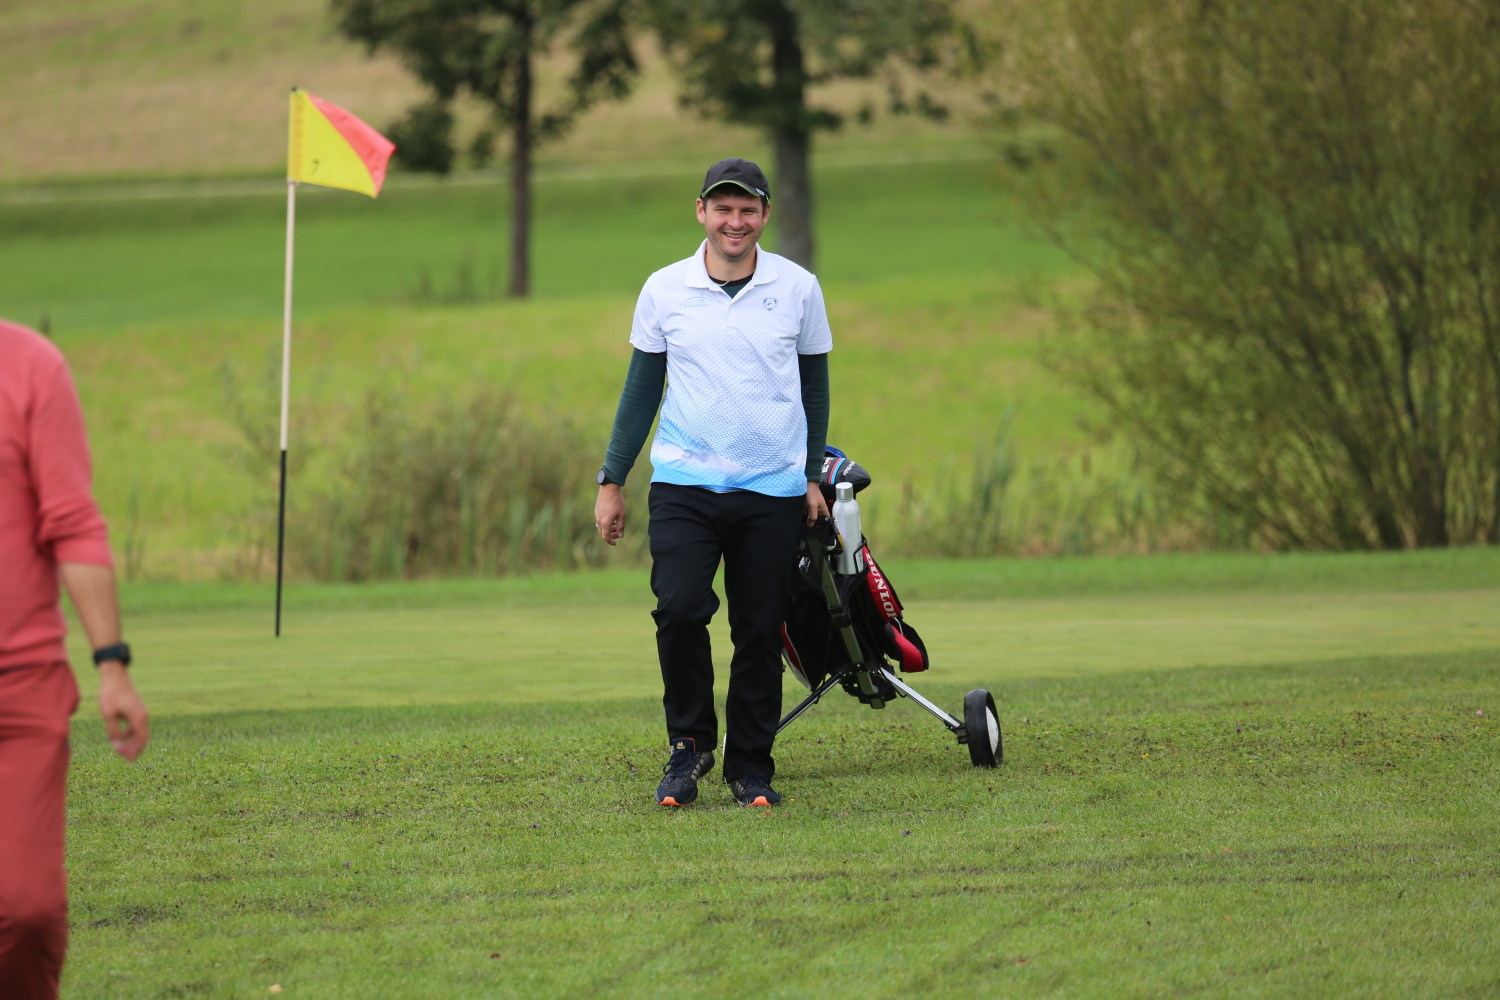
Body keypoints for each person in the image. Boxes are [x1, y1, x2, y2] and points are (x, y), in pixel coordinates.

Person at [594, 158, 832, 808]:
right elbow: (641, 391)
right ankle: (690, 747)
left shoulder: (799, 288)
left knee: (759, 629)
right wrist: (612, 479)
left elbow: (814, 389)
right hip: (684, 485)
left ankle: (750, 766)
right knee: (678, 609)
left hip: (772, 489)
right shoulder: (664, 289)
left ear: (765, 215)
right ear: (701, 211)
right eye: (723, 208)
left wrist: (811, 475)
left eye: (747, 209)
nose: (735, 221)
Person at [0, 318, 150, 1000]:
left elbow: (74, 522)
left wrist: (111, 664)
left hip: (22, 688)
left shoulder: (34, 367)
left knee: (26, 909)